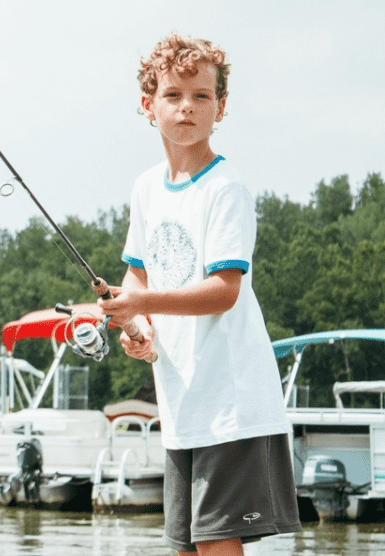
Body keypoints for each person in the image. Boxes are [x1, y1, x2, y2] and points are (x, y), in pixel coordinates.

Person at [97, 33, 301, 556]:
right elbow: (138, 275)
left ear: (221, 107)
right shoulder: (146, 189)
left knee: (215, 545)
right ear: (148, 106)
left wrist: (140, 305)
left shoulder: (225, 187)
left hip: (230, 401)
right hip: (182, 403)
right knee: (183, 547)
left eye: (202, 96)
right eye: (172, 95)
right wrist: (139, 330)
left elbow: (223, 290)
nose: (187, 106)